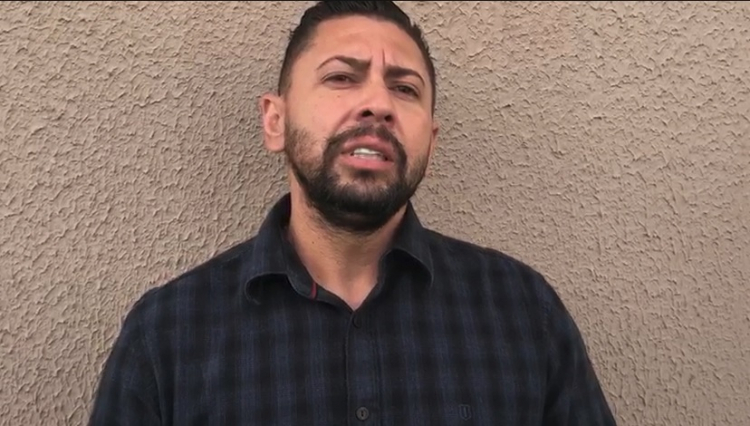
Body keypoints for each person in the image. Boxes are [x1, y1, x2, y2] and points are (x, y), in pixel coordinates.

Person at [88, 1, 617, 425]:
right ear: (275, 122)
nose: (378, 105)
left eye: (405, 89)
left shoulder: (523, 313)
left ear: (431, 143)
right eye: (342, 77)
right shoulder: (168, 335)